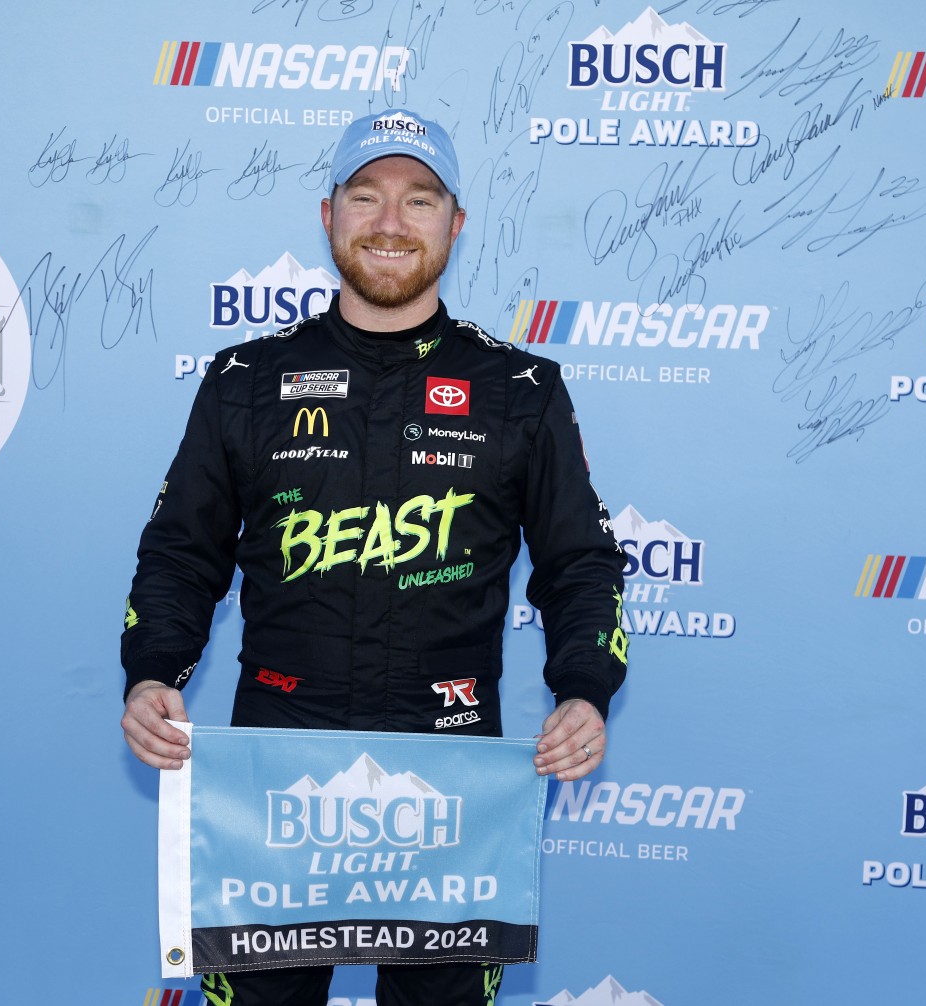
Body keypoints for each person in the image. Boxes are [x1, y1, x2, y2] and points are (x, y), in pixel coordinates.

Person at [120, 108, 627, 1006]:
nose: (391, 223)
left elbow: (581, 565)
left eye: (419, 200)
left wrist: (582, 688)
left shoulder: (521, 389)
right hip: (272, 771)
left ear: (455, 224)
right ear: (328, 215)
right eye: (367, 197)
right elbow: (179, 553)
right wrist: (153, 670)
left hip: (453, 778)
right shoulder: (247, 380)